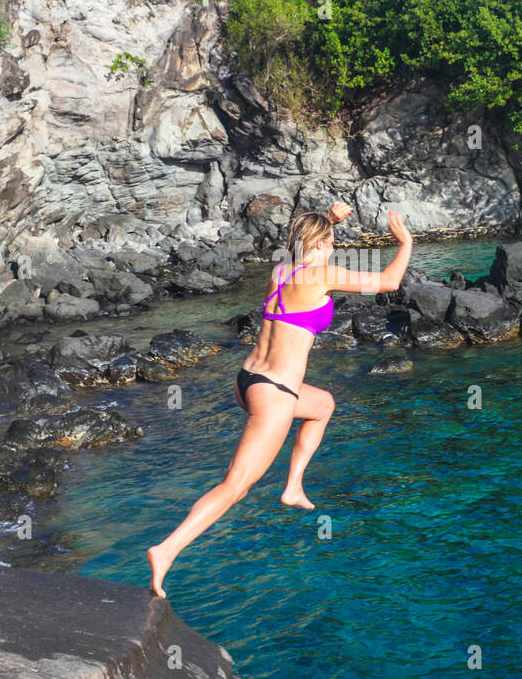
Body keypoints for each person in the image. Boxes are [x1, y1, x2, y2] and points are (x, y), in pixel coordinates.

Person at [147, 203, 413, 596]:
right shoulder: (324, 275)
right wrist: (405, 241)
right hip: (274, 394)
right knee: (235, 486)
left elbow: (302, 245)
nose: (334, 249)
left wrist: (329, 220)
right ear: (321, 245)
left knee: (322, 405)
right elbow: (390, 282)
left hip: (248, 381)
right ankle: (167, 550)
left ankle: (293, 488)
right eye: (332, 242)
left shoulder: (281, 271)